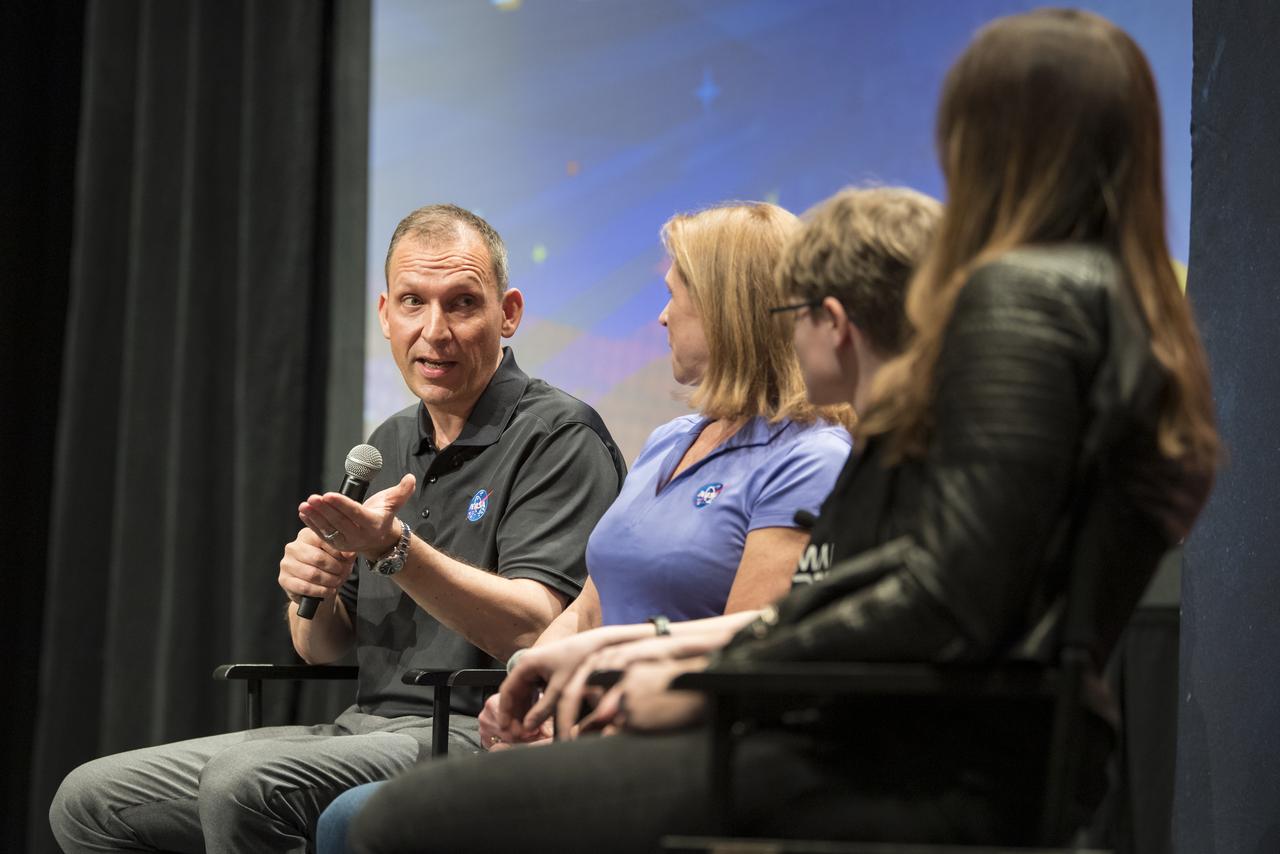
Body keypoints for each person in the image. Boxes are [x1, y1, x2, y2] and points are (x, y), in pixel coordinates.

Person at [347, 9, 1219, 852]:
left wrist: (697, 679)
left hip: (906, 764)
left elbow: (942, 602)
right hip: (958, 751)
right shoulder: (1133, 316)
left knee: (398, 823)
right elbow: (921, 586)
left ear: (986, 137)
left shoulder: (1024, 305)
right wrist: (656, 651)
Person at [48, 204, 627, 853]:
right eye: (413, 302)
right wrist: (314, 592)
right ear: (385, 314)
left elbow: (538, 626)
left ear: (509, 312)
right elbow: (324, 649)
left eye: (462, 303)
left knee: (245, 785)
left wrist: (393, 549)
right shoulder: (389, 441)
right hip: (361, 728)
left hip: (471, 734)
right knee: (88, 801)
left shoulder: (557, 437)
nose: (434, 331)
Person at [315, 201, 857, 851]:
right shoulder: (670, 440)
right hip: (587, 732)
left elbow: (749, 664)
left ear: (726, 310)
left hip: (687, 750)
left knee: (364, 821)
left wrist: (595, 713)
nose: (661, 316)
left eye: (674, 295)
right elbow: (587, 607)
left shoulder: (807, 455)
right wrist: (527, 688)